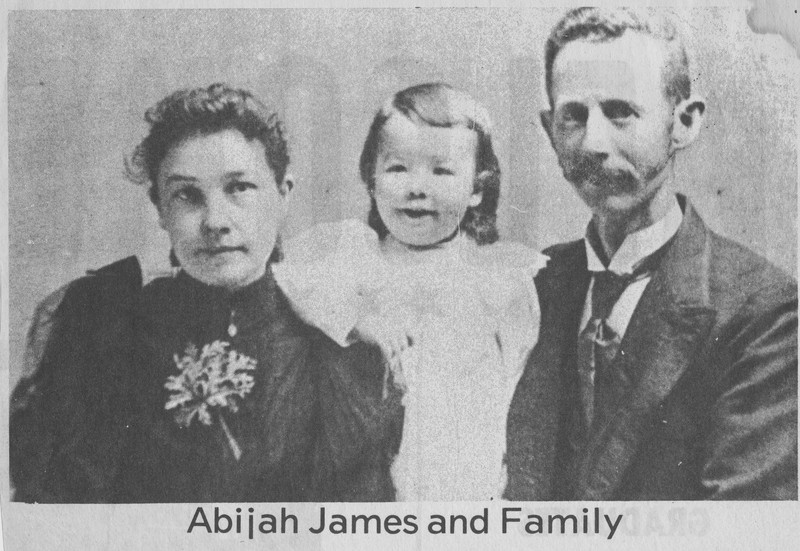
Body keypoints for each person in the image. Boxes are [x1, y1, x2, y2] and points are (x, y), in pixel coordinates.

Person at [505, 7, 797, 500]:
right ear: (548, 129)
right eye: (573, 116)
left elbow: (741, 529)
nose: (593, 142)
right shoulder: (529, 286)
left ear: (683, 122)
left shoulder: (764, 312)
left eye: (621, 112)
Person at [10, 84, 323, 502]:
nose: (215, 221)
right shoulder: (106, 329)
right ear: (160, 209)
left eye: (239, 188)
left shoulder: (332, 334)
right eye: (187, 195)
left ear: (283, 193)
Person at [273, 83, 547, 501]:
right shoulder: (355, 258)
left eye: (442, 171)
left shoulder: (497, 279)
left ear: (476, 188)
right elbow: (288, 281)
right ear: (372, 179)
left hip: (466, 477)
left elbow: (519, 386)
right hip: (374, 476)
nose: (417, 187)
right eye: (398, 169)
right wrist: (358, 319)